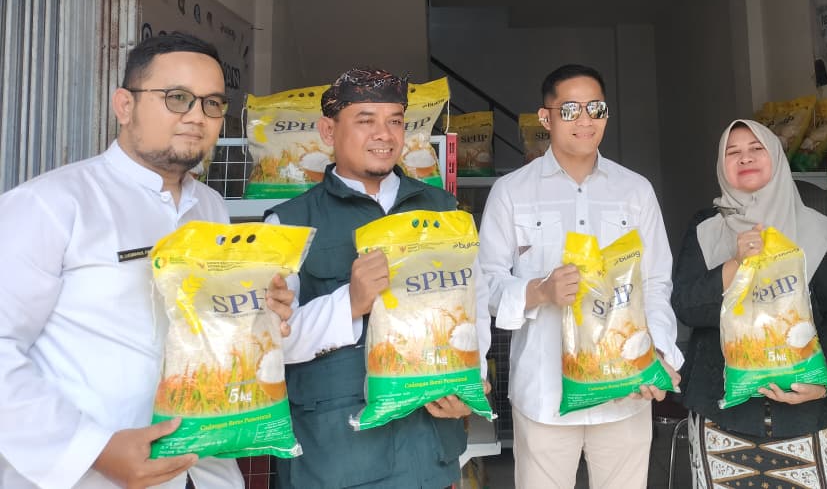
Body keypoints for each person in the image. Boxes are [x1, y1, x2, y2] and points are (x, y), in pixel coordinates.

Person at [0, 31, 293, 489]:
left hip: (205, 468)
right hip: (89, 477)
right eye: (177, 98)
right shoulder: (52, 204)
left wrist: (260, 314)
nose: (196, 116)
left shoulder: (211, 209)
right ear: (124, 105)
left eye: (212, 104)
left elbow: (208, 333)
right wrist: (93, 450)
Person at [267, 67, 491, 489]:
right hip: (339, 456)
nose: (384, 135)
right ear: (328, 131)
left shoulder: (443, 210)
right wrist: (350, 303)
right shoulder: (289, 223)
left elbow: (473, 306)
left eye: (395, 122)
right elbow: (270, 343)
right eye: (365, 120)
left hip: (430, 451)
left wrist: (472, 386)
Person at [477, 64, 682, 489]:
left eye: (596, 108)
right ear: (545, 117)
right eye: (570, 109)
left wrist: (660, 352)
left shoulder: (635, 190)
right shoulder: (512, 191)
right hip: (544, 394)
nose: (585, 120)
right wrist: (539, 290)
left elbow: (656, 283)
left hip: (626, 390)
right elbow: (486, 284)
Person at [672, 119, 827, 489]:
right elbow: (686, 306)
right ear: (721, 165)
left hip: (810, 416)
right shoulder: (706, 230)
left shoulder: (815, 229)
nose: (745, 158)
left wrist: (826, 381)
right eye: (733, 152)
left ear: (775, 157)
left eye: (756, 149)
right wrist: (734, 265)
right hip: (722, 416)